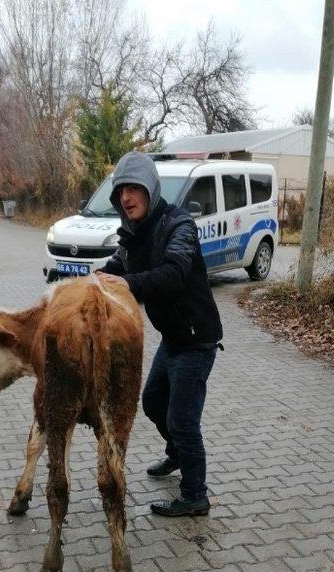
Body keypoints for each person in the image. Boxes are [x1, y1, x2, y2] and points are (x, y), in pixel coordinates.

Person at [97, 151, 222, 517]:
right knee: (153, 402)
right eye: (121, 191)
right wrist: (92, 281)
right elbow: (117, 264)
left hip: (196, 339)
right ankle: (177, 454)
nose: (126, 197)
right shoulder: (134, 233)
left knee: (183, 421)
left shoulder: (179, 225)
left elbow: (174, 273)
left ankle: (195, 495)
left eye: (134, 188)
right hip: (172, 338)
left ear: (150, 188)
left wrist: (126, 284)